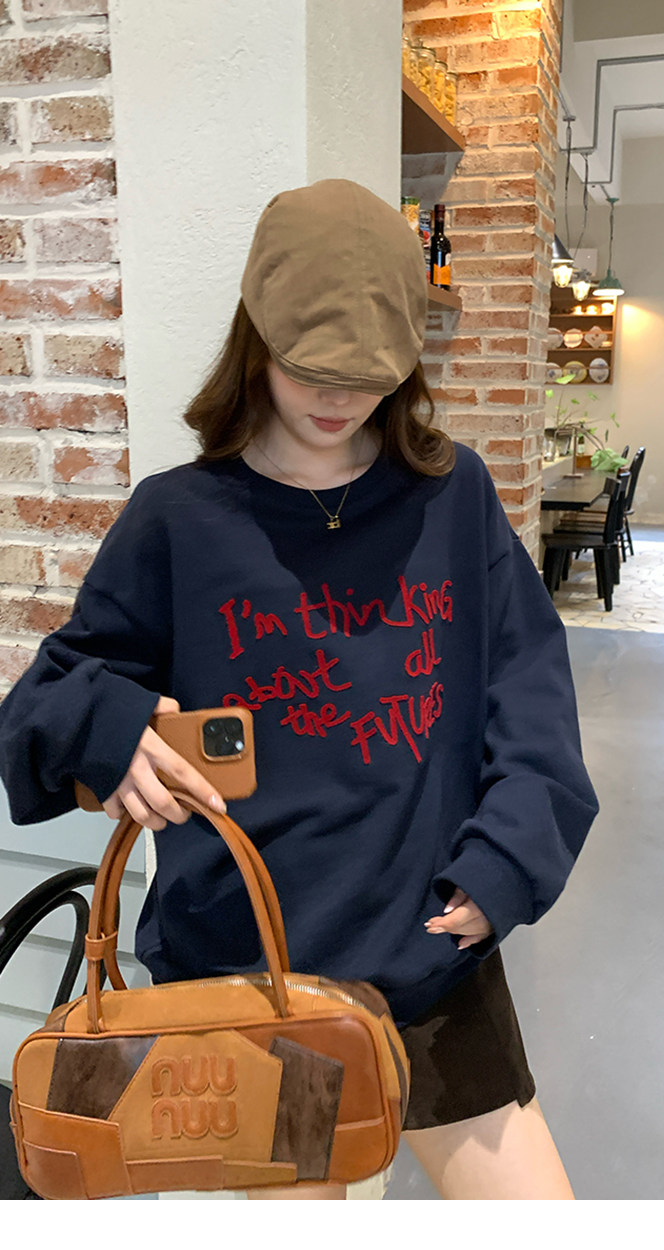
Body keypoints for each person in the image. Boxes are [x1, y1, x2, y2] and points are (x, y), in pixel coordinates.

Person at [0, 179, 598, 1201]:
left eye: (368, 377)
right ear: (258, 338)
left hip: (430, 953)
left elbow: (531, 693)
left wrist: (506, 861)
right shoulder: (179, 519)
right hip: (257, 984)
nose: (338, 401)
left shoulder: (450, 497)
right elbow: (43, 706)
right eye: (309, 370)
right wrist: (115, 727)